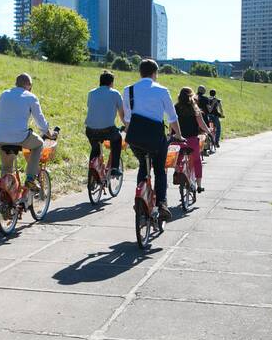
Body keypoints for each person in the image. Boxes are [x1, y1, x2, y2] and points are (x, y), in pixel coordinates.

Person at [124, 59, 182, 221]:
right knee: (159, 170)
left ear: (140, 72)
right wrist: (179, 134)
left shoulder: (128, 90)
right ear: (154, 73)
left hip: (135, 136)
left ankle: (140, 197)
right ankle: (162, 204)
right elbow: (172, 117)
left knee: (143, 165)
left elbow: (127, 118)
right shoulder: (162, 91)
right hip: (155, 137)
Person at [0, 73, 53, 189]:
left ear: (16, 84)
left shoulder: (4, 94)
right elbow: (40, 121)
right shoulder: (30, 97)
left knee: (7, 167)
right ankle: (30, 178)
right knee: (39, 144)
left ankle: (5, 198)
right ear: (29, 85)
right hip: (19, 137)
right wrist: (49, 133)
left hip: (0, 138)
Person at [84, 71, 124, 177]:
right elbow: (122, 114)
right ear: (111, 83)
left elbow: (91, 107)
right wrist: (127, 126)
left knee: (95, 148)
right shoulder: (115, 93)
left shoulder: (91, 93)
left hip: (90, 130)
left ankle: (92, 174)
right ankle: (115, 168)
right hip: (107, 130)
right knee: (117, 139)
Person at [174, 87, 212, 191]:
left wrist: (170, 134)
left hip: (178, 140)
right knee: (197, 161)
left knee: (177, 158)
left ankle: (178, 172)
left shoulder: (175, 108)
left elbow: (172, 124)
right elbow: (201, 124)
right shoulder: (195, 108)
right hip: (192, 140)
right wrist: (209, 132)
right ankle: (199, 185)